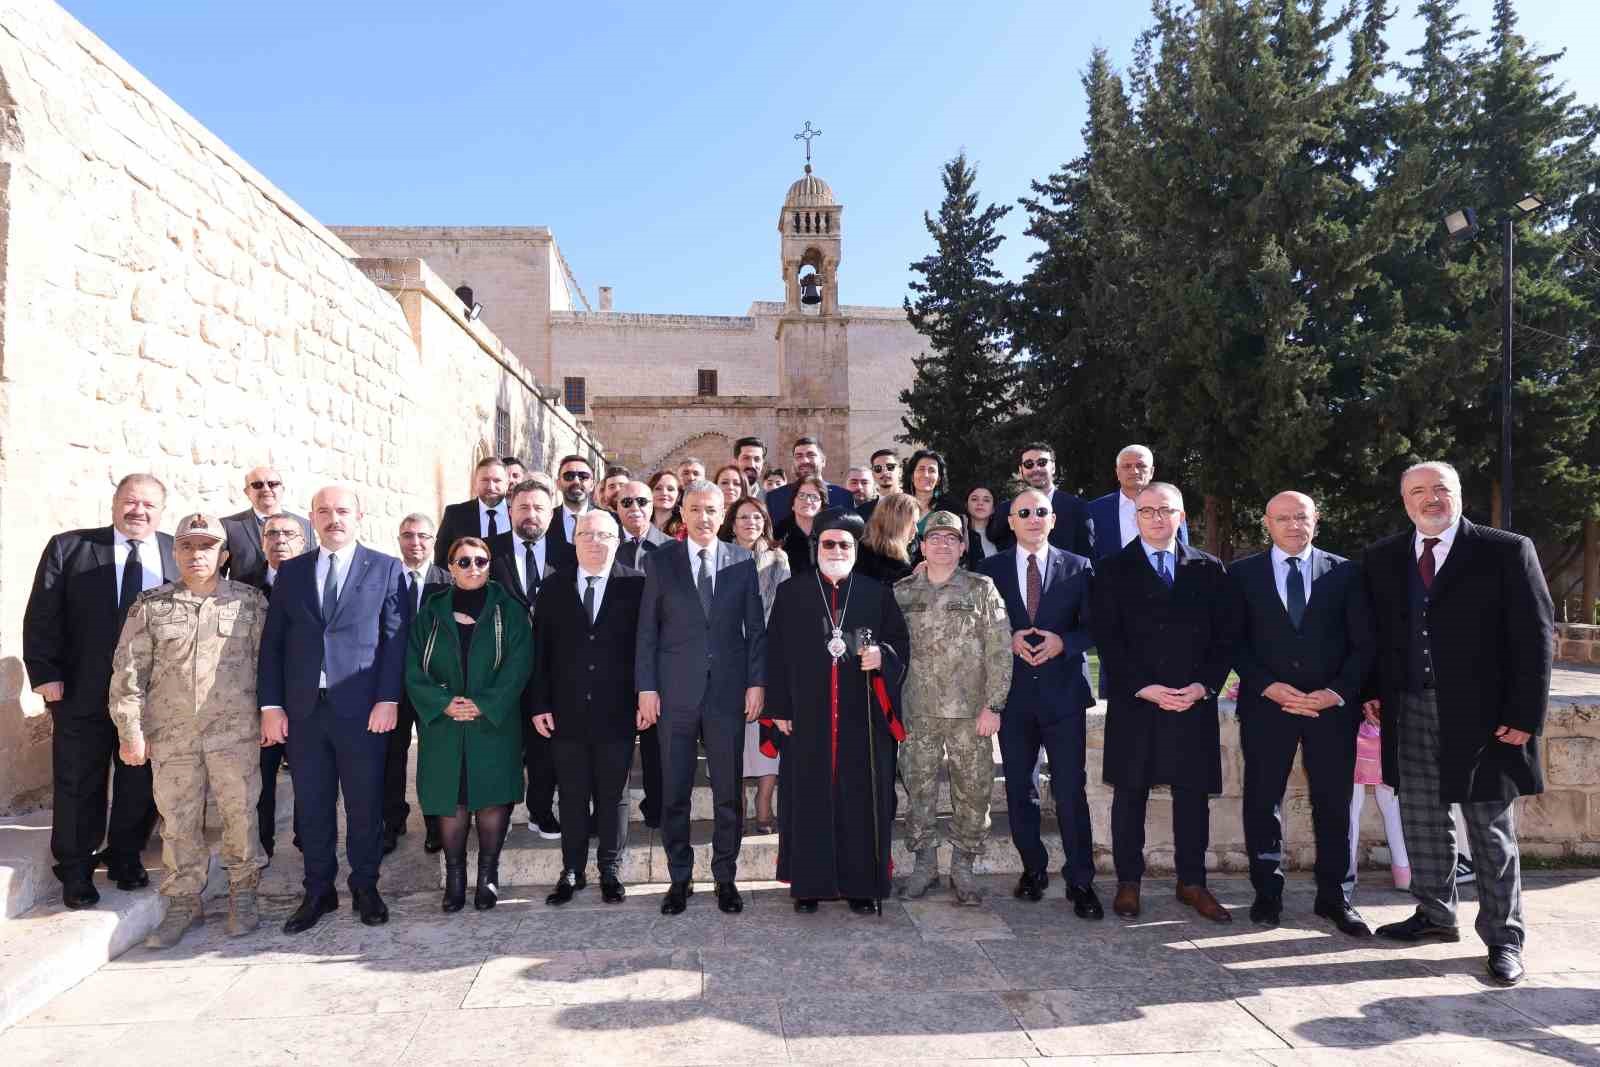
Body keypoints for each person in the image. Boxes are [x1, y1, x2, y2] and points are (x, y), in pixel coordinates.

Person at [1363, 461, 1554, 986]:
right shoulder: (1382, 557)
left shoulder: (1506, 550)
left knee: (1489, 828)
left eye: (1440, 489)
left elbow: (1535, 637)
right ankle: (1435, 916)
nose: (1430, 499)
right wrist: (1372, 692)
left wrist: (1524, 715)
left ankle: (1504, 936)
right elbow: (1378, 635)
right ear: (1405, 501)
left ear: (1458, 494)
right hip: (1409, 708)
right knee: (1422, 818)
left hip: (1485, 717)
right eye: (1418, 491)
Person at [108, 513, 267, 947]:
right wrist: (130, 730)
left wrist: (272, 715)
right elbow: (128, 672)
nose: (197, 555)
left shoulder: (250, 603)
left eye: (207, 547)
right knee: (177, 823)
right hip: (173, 736)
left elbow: (269, 668)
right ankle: (183, 903)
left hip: (234, 734)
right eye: (188, 547)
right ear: (175, 552)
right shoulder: (152, 605)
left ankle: (244, 893)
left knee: (240, 815)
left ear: (224, 554)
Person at [258, 485, 409, 933]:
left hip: (363, 709)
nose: (333, 518)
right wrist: (271, 705)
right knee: (312, 804)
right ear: (311, 517)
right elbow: (274, 645)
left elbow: (395, 640)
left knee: (364, 804)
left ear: (359, 515)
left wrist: (388, 698)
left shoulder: (384, 568)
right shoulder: (293, 572)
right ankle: (318, 891)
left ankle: (365, 886)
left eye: (342, 510)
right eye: (323, 511)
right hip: (305, 712)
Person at [1091, 482, 1241, 923]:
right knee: (1130, 794)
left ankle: (1192, 882)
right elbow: (1107, 639)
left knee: (1192, 796)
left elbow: (1225, 637)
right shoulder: (1113, 569)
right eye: (1148, 511)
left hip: (1192, 702)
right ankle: (1128, 883)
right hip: (1137, 701)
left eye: (1166, 510)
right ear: (1136, 518)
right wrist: (1143, 687)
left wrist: (1203, 686)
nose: (1157, 518)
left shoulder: (1209, 569)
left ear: (1181, 516)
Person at [23, 473, 172, 908]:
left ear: (161, 511)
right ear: (114, 503)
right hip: (81, 690)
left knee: (139, 780)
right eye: (130, 501)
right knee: (77, 781)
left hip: (150, 695)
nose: (138, 511)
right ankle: (75, 869)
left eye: (148, 504)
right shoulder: (70, 548)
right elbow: (42, 614)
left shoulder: (172, 552)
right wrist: (45, 673)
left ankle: (125, 855)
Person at [1231, 491, 1375, 936]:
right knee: (1262, 802)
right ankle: (1266, 896)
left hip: (1329, 711)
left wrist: (1335, 693)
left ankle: (1336, 898)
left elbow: (1365, 643)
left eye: (1302, 517)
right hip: (1266, 707)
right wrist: (1267, 686)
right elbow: (1233, 640)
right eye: (1283, 518)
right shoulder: (1241, 574)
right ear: (1267, 523)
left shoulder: (1347, 573)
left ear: (1317, 521)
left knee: (1333, 804)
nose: (1293, 525)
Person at [766, 509, 909, 913]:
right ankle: (808, 885)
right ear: (817, 548)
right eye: (828, 543)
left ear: (855, 550)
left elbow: (899, 643)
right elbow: (773, 650)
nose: (836, 550)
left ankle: (862, 886)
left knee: (861, 797)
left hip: (860, 716)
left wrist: (882, 656)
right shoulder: (792, 592)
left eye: (844, 544)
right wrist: (778, 706)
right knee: (808, 797)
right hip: (806, 716)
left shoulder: (876, 593)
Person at [635, 480, 767, 916]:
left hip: (727, 694)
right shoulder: (660, 561)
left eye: (712, 510)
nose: (704, 517)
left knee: (728, 790)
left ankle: (725, 877)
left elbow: (756, 631)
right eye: (696, 509)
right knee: (674, 790)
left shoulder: (742, 560)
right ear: (682, 513)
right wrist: (647, 688)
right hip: (673, 694)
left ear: (721, 512)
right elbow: (647, 632)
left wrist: (756, 683)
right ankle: (680, 877)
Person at [980, 489, 1101, 917]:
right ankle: (1033, 870)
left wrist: (1063, 642)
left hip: (1063, 695)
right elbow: (979, 630)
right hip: (1012, 697)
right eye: (1024, 512)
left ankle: (1081, 880)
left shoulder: (1079, 567)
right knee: (1019, 790)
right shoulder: (988, 570)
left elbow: (1097, 627)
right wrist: (1006, 637)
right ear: (1010, 521)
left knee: (1070, 791)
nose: (1034, 518)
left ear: (1053, 520)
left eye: (1041, 512)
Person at [405, 536, 532, 912]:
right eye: (463, 562)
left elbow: (519, 664)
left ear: (490, 564)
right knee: (450, 799)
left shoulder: (508, 609)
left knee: (492, 797)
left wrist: (484, 704)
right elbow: (413, 666)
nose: (473, 568)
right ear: (450, 567)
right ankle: (455, 878)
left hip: (493, 721)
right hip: (443, 724)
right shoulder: (431, 610)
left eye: (480, 560)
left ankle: (488, 877)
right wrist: (443, 704)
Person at [895, 511, 1011, 904]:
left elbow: (999, 650)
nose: (943, 544)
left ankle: (963, 866)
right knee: (919, 790)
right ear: (922, 545)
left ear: (962, 547)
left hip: (969, 714)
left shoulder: (981, 588)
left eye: (951, 539)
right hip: (918, 713)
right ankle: (924, 864)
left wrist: (994, 705)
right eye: (934, 538)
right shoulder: (902, 592)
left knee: (974, 792)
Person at [531, 512, 645, 906]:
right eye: (587, 534)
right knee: (573, 792)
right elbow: (540, 651)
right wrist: (540, 703)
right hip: (565, 710)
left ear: (618, 540)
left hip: (619, 709)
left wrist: (644, 697)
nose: (595, 541)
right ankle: (572, 869)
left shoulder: (638, 585)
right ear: (574, 539)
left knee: (614, 793)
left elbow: (645, 650)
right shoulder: (553, 587)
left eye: (604, 535)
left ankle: (610, 868)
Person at [488, 479, 574, 840]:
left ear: (551, 512)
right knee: (500, 746)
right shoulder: (489, 552)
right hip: (500, 667)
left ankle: (540, 811)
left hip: (552, 668)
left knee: (545, 748)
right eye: (523, 507)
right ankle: (499, 813)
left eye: (539, 507)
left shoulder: (569, 553)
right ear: (510, 511)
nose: (531, 514)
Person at [724, 495, 790, 833]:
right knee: (729, 735)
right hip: (727, 658)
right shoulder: (720, 557)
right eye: (743, 517)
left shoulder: (778, 560)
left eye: (757, 518)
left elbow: (785, 611)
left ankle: (764, 803)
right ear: (732, 523)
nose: (751, 523)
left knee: (766, 733)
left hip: (767, 655)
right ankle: (732, 803)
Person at [385, 514, 451, 855]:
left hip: (434, 687)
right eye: (408, 535)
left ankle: (434, 824)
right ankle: (392, 820)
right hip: (392, 687)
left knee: (434, 757)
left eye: (423, 536)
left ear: (434, 540)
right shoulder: (383, 579)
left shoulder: (448, 581)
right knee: (391, 756)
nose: (416, 542)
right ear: (398, 539)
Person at [254, 514, 312, 863]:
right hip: (263, 703)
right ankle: (261, 846)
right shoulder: (244, 587)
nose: (279, 540)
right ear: (262, 542)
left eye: (289, 533)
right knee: (260, 780)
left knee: (310, 776)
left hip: (308, 700)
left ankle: (310, 841)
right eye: (271, 533)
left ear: (303, 542)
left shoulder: (319, 581)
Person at [989, 443, 1093, 558]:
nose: (1036, 469)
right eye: (1029, 464)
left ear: (1053, 467)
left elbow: (1088, 555)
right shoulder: (1005, 510)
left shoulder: (1077, 508)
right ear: (1021, 470)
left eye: (1042, 462)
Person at [1086, 445, 1190, 559]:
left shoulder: (1171, 505)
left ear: (1151, 471)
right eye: (1127, 466)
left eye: (1140, 466)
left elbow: (1183, 550)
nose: (1134, 471)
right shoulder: (1095, 510)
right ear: (1117, 472)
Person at [221, 466, 313, 583]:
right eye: (257, 485)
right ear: (247, 492)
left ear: (282, 489)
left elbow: (312, 569)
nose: (266, 489)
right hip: (245, 599)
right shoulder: (228, 526)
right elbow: (218, 575)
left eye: (273, 484)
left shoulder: (305, 525)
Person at [1352, 719, 1410, 889]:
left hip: (1352, 725)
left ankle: (1347, 870)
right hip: (1388, 727)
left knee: (1351, 809)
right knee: (1392, 807)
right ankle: (1403, 872)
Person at [434, 457, 511, 567]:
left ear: (507, 484)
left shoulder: (517, 516)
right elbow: (441, 560)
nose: (491, 486)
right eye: (485, 480)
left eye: (497, 480)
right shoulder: (455, 514)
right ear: (475, 483)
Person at [764, 436, 855, 526]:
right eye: (799, 456)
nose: (804, 461)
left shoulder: (843, 497)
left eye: (811, 455)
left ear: (823, 461)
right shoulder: (775, 498)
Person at [857, 493, 921, 584]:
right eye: (911, 523)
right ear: (894, 524)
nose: (916, 530)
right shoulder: (862, 556)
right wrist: (912, 576)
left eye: (916, 523)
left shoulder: (917, 550)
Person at [777, 474, 827, 576]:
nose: (808, 501)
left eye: (814, 497)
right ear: (792, 504)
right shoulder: (778, 534)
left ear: (822, 506)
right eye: (801, 495)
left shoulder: (831, 534)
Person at [546, 454, 597, 553]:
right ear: (558, 484)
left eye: (584, 476)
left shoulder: (608, 519)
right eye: (569, 476)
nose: (576, 481)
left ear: (592, 485)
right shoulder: (546, 520)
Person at [616, 480, 672, 569]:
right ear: (618, 507)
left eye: (642, 501)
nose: (634, 508)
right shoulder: (602, 545)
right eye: (626, 502)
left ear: (652, 506)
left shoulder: (672, 547)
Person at [905, 448, 949, 523]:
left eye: (932, 470)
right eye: (921, 469)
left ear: (938, 479)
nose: (926, 475)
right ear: (912, 476)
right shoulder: (898, 507)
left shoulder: (950, 509)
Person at [963, 486, 1000, 570]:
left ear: (993, 508)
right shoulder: (959, 533)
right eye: (974, 499)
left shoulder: (1003, 536)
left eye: (986, 500)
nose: (980, 503)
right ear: (966, 505)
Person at [648, 470, 684, 538]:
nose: (664, 493)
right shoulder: (640, 525)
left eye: (670, 489)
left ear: (679, 496)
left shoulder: (686, 530)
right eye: (658, 488)